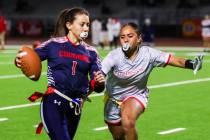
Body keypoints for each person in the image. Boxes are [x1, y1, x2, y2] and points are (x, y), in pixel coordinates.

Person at [101, 22, 203, 140]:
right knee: (118, 137)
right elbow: (100, 74)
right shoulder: (114, 56)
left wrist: (192, 64)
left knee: (128, 122)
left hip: (136, 95)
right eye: (122, 37)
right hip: (113, 99)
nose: (125, 40)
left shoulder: (149, 54)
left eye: (130, 36)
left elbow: (174, 60)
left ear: (139, 39)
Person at [15, 7, 105, 140]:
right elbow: (28, 57)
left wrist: (99, 82)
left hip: (75, 107)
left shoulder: (91, 52)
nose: (86, 28)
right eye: (82, 24)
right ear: (69, 25)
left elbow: (97, 85)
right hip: (53, 102)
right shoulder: (53, 44)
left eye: (87, 25)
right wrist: (19, 59)